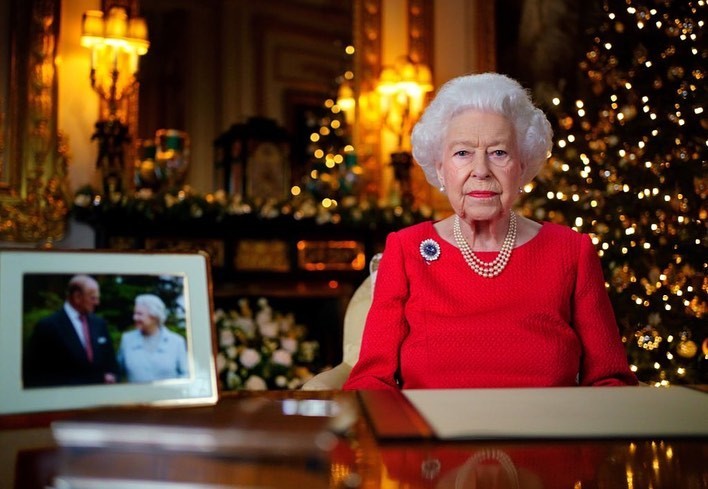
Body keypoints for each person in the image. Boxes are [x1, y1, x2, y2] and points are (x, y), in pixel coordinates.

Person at [343, 73, 638, 390]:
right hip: (432, 435)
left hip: (546, 434)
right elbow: (371, 380)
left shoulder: (570, 250)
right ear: (440, 168)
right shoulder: (406, 249)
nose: (481, 170)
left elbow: (610, 379)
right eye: (462, 153)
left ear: (522, 166)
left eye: (499, 152)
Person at [23, 275, 118, 387]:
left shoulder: (99, 324)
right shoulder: (48, 326)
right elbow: (35, 374)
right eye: (93, 298)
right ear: (77, 297)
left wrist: (113, 377)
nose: (97, 302)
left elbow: (111, 363)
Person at [117, 293, 189, 383]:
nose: (134, 318)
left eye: (139, 314)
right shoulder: (127, 340)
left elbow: (185, 375)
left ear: (154, 317)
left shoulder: (177, 342)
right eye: (135, 313)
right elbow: (117, 372)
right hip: (135, 396)